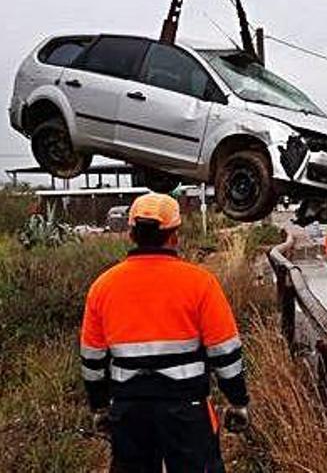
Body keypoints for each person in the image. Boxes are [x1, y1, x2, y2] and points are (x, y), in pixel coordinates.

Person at [80, 193, 249, 472]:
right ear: (174, 235)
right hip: (187, 408)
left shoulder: (103, 286)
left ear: (131, 234)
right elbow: (225, 353)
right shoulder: (200, 283)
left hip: (128, 408)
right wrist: (238, 401)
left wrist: (98, 407)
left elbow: (92, 360)